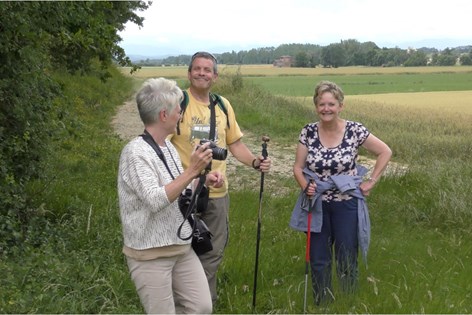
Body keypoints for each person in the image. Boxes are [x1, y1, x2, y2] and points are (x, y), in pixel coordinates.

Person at [169, 51, 272, 304]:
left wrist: (255, 162)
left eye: (207, 70)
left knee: (212, 253)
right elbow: (161, 145)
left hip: (216, 194)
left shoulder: (222, 105)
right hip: (182, 193)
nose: (202, 73)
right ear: (189, 73)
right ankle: (177, 303)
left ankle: (203, 304)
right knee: (177, 250)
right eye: (197, 69)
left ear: (215, 76)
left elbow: (234, 144)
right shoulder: (176, 103)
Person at [117, 77, 225, 314]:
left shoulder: (168, 147)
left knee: (201, 307)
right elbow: (155, 200)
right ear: (164, 115)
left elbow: (179, 187)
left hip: (180, 246)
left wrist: (203, 180)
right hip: (150, 253)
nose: (181, 114)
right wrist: (193, 170)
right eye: (179, 109)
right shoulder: (135, 153)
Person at [290, 80, 392, 305]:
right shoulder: (308, 131)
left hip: (347, 203)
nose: (326, 109)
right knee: (318, 258)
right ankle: (322, 303)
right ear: (316, 106)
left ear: (340, 106)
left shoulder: (355, 130)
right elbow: (298, 168)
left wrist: (371, 181)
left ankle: (348, 303)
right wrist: (305, 186)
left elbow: (385, 151)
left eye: (331, 104)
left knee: (347, 257)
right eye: (321, 104)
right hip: (316, 203)